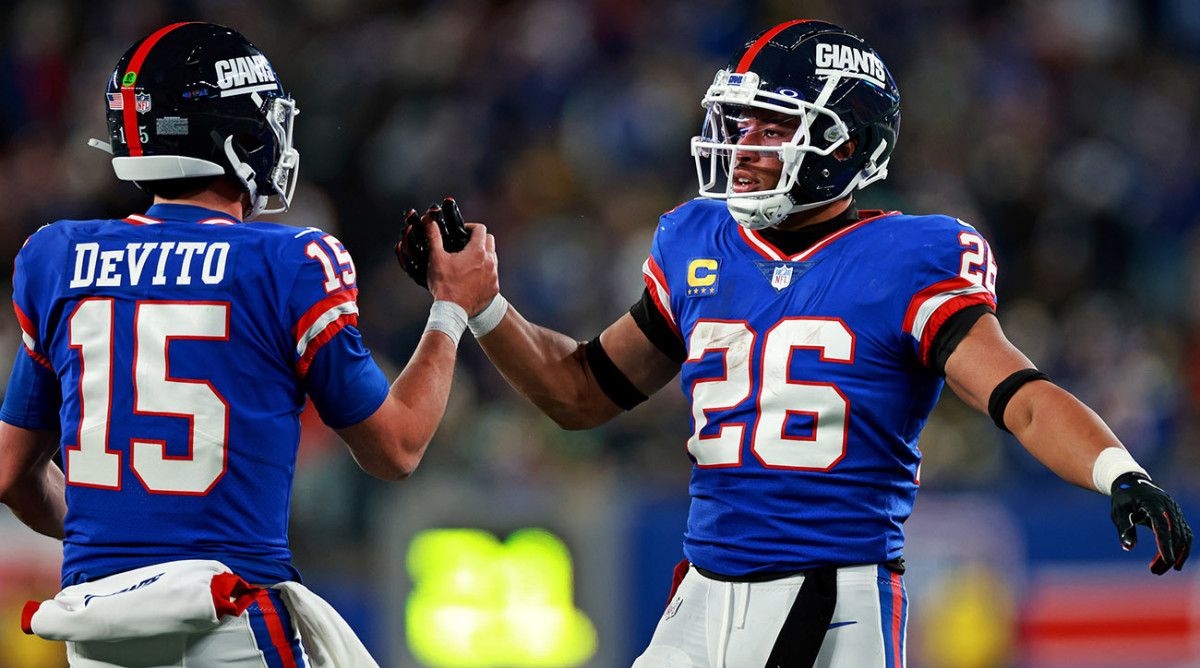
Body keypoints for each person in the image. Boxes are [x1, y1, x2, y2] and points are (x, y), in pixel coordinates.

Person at [424, 19, 1193, 667]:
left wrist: (1117, 471)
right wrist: (484, 307)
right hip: (700, 589)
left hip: (832, 597)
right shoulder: (700, 239)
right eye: (742, 123)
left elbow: (1019, 397)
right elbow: (582, 391)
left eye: (773, 127)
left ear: (845, 145)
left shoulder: (909, 258)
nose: (746, 144)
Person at [0, 22, 497, 667]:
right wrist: (451, 309)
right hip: (230, 621)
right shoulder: (289, 260)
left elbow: (12, 473)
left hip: (98, 627)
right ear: (234, 136)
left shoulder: (56, 256)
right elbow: (395, 447)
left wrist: (130, 539)